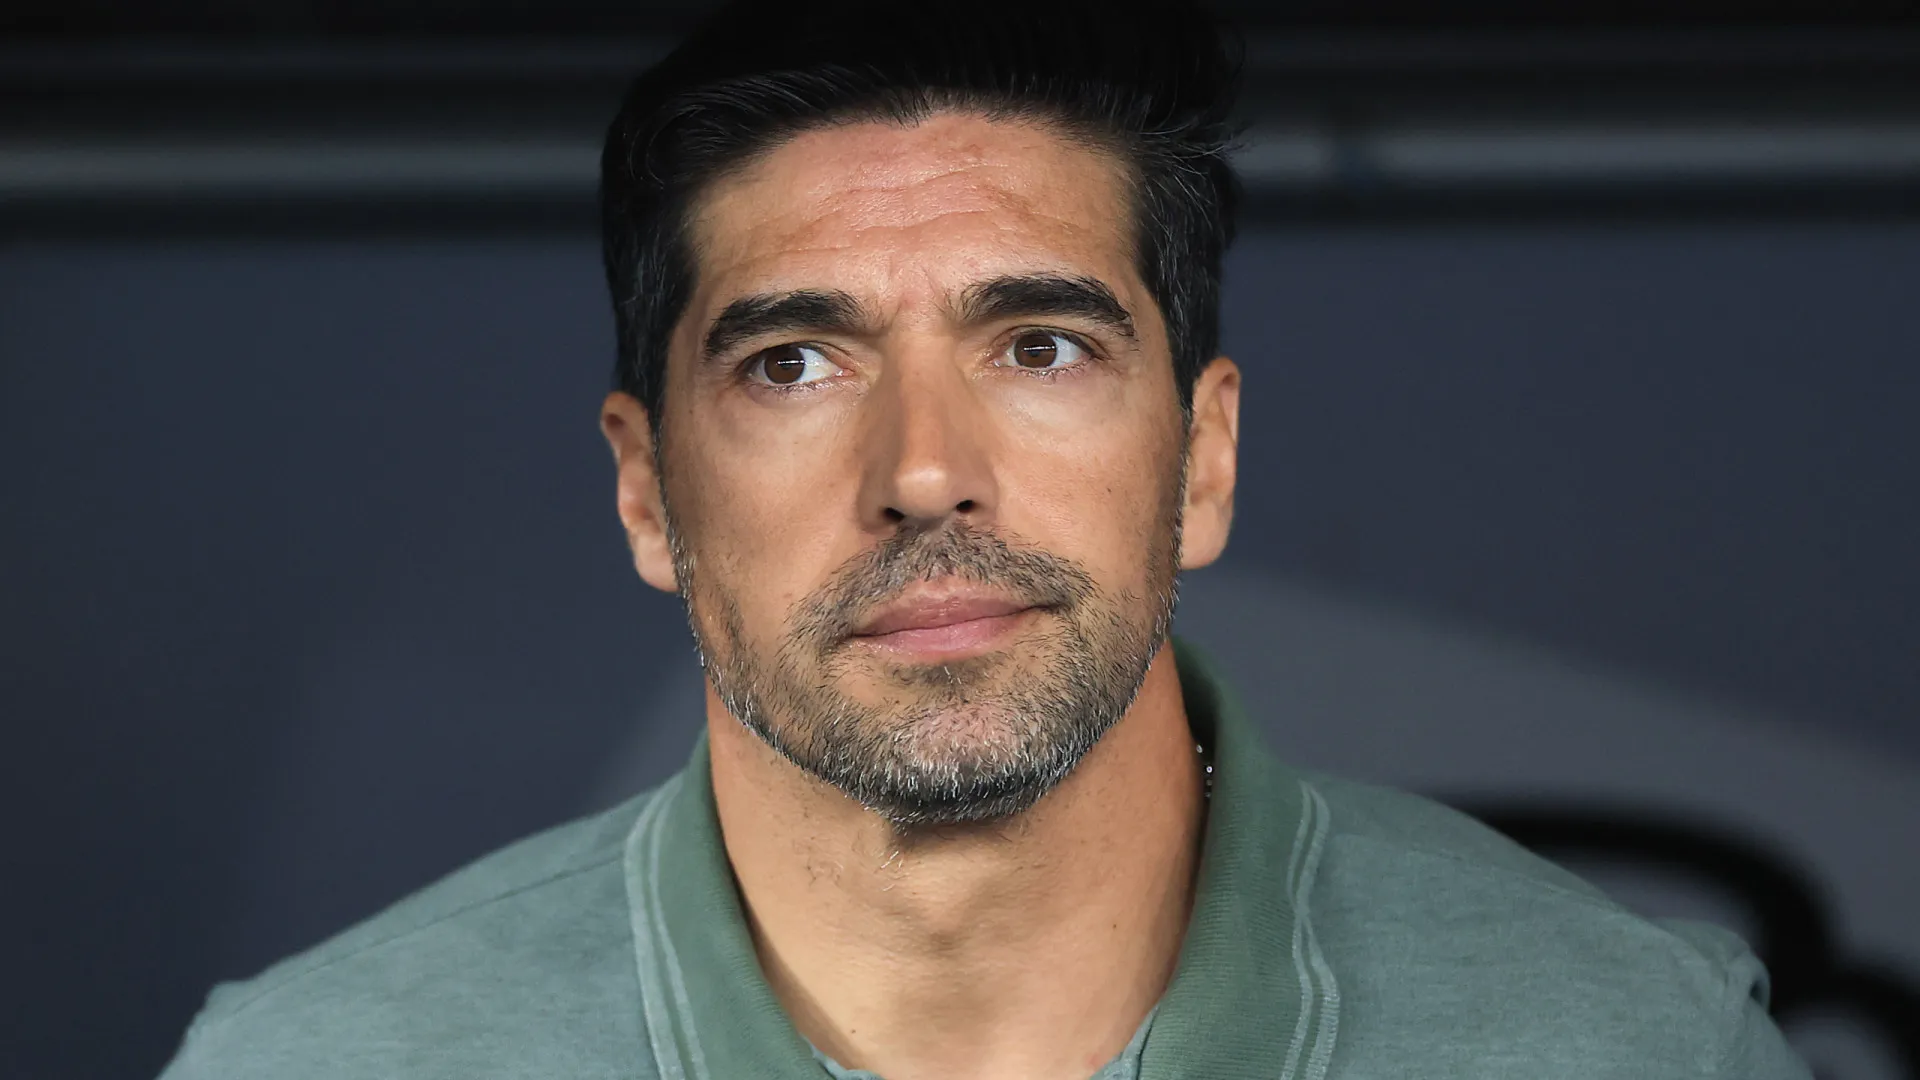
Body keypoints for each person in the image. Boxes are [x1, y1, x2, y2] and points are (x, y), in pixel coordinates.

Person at [158, 1, 1811, 1077]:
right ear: (647, 492)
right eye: (794, 364)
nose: (927, 472)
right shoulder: (316, 1064)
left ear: (1205, 459)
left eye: (1042, 346)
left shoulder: (1633, 1047)